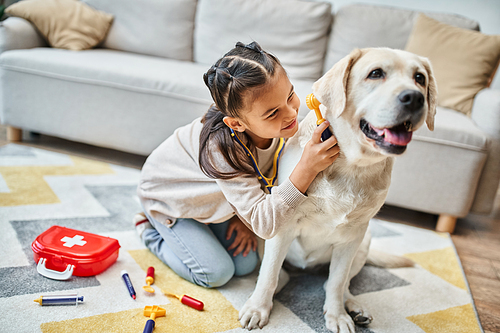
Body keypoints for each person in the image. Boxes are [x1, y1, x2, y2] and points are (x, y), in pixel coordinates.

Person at [134, 41, 340, 288]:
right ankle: (149, 230)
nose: (291, 113)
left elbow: (262, 185)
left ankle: (219, 220)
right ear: (237, 124)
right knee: (215, 273)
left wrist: (243, 217)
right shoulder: (222, 150)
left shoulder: (275, 124)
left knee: (245, 265)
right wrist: (306, 169)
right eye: (273, 113)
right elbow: (265, 225)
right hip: (171, 200)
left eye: (290, 95)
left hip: (215, 197)